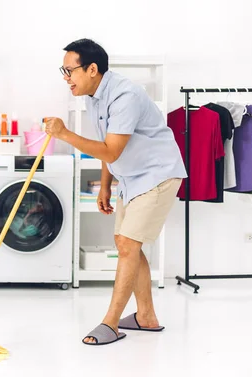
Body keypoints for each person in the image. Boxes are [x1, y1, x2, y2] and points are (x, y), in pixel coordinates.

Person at [44, 38, 187, 346]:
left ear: (92, 69)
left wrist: (65, 134)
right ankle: (145, 317)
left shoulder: (125, 95)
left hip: (158, 174)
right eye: (64, 70)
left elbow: (110, 149)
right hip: (131, 176)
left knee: (127, 245)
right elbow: (108, 147)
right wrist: (105, 184)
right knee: (127, 244)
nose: (66, 78)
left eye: (70, 71)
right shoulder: (93, 95)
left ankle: (110, 323)